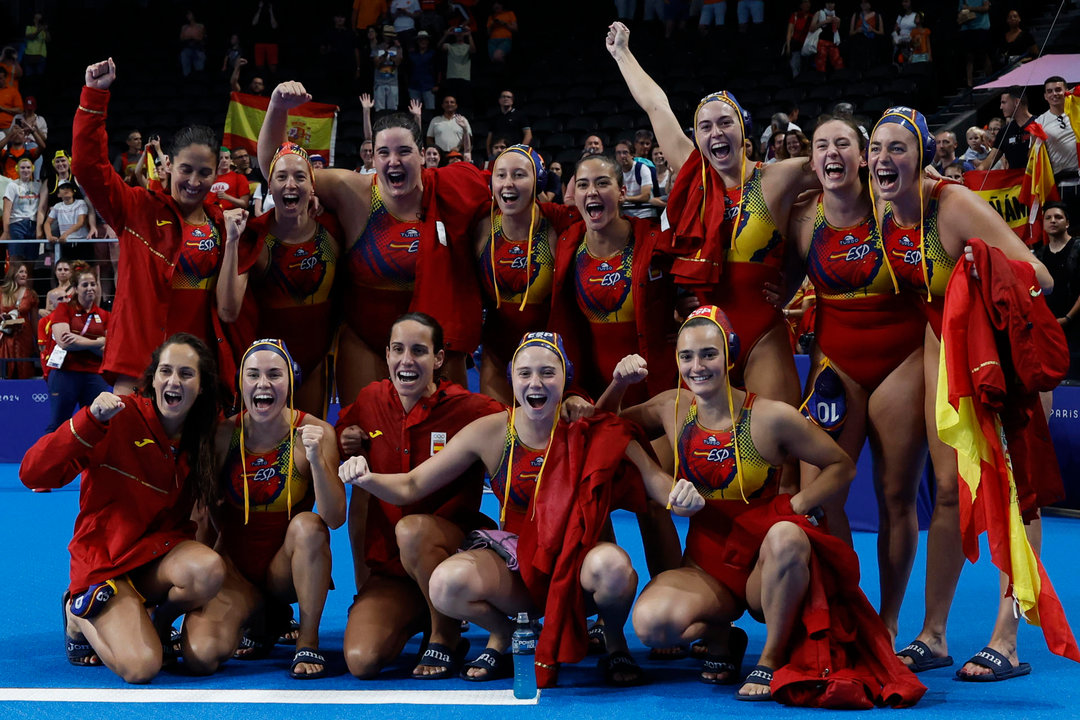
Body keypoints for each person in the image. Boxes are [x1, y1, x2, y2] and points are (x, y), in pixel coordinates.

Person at [340, 331, 707, 688]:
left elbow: (657, 483)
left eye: (548, 373)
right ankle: (510, 632)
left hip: (580, 561)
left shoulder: (592, 429)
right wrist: (366, 477)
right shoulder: (493, 431)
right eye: (525, 373)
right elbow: (412, 485)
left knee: (612, 567)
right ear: (512, 379)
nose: (536, 383)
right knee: (445, 584)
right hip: (518, 559)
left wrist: (684, 497)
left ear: (566, 380)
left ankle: (614, 639)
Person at [599, 307, 924, 706]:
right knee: (651, 625)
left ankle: (769, 657)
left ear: (729, 356)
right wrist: (617, 384)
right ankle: (723, 635)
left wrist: (800, 503)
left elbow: (842, 464)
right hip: (707, 562)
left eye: (708, 354)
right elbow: (605, 425)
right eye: (687, 357)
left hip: (764, 560)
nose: (697, 366)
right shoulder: (672, 406)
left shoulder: (771, 417)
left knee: (788, 536)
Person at [868, 106, 1054, 679]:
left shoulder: (952, 205)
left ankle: (1008, 636)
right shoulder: (883, 209)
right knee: (947, 491)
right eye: (876, 148)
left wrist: (981, 276)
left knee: (1016, 494)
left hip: (999, 356)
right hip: (939, 348)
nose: (882, 159)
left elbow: (1039, 277)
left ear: (924, 155)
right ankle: (935, 633)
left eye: (898, 148)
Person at [607, 21, 812, 413]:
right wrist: (623, 54)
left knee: (777, 449)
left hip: (761, 333)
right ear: (697, 137)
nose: (715, 132)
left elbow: (843, 165)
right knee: (706, 448)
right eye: (705, 127)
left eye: (725, 123)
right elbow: (655, 105)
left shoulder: (777, 177)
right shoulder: (692, 172)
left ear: (743, 130)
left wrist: (920, 172)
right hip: (705, 336)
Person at [778, 115, 928, 641]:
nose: (832, 153)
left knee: (895, 496)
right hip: (834, 365)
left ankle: (886, 624)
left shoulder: (896, 204)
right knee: (822, 495)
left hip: (902, 362)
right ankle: (843, 609)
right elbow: (778, 281)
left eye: (843, 142)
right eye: (821, 145)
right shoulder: (802, 219)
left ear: (864, 156)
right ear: (812, 160)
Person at [257, 81, 490, 409]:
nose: (393, 161)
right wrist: (278, 107)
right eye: (384, 153)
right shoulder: (354, 193)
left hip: (431, 342)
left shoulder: (452, 191)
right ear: (373, 157)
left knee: (444, 440)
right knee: (359, 439)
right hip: (365, 340)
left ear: (422, 155)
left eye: (404, 152)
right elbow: (275, 166)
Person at [20, 334, 226, 682]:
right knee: (142, 667)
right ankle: (77, 614)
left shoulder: (204, 436)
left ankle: (156, 622)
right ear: (153, 379)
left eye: (187, 374)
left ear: (202, 386)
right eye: (166, 371)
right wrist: (89, 420)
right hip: (105, 563)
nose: (174, 381)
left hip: (154, 558)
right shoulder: (118, 416)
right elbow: (32, 472)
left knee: (207, 570)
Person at [337, 313, 504, 679]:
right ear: (386, 355)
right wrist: (346, 436)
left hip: (450, 555)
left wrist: (570, 403)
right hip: (394, 572)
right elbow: (342, 432)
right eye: (398, 349)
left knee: (412, 530)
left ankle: (444, 635)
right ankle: (421, 614)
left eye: (419, 351)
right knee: (361, 661)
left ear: (439, 359)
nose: (406, 361)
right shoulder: (371, 399)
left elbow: (526, 421)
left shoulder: (471, 409)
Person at [180, 338, 343, 679]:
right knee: (200, 656)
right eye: (253, 375)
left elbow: (334, 517)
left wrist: (315, 460)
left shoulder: (316, 433)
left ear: (290, 382)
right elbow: (202, 516)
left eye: (274, 374)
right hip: (235, 569)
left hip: (285, 569)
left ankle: (307, 639)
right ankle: (262, 616)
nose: (263, 384)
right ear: (241, 383)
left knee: (309, 527)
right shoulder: (223, 435)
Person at [74, 59, 236, 395]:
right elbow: (89, 167)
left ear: (216, 174)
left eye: (205, 173)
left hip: (199, 371)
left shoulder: (222, 223)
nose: (194, 181)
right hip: (140, 367)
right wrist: (94, 98)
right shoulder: (136, 209)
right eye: (186, 169)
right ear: (168, 165)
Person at [217, 143, 343, 414]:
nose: (290, 184)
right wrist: (231, 242)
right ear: (269, 187)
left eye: (300, 177)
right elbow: (228, 312)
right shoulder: (254, 237)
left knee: (309, 444)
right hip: (267, 369)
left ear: (313, 187)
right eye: (281, 177)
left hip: (316, 363)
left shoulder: (334, 231)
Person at [474, 145, 577, 403]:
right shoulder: (481, 226)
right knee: (498, 429)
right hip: (496, 354)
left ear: (538, 181)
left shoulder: (557, 226)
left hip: (549, 356)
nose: (508, 183)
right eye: (501, 175)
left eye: (519, 175)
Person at [44, 262, 109, 432]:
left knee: (96, 425)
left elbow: (108, 351)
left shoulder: (105, 315)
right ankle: (53, 459)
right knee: (58, 424)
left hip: (94, 375)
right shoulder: (64, 309)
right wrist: (98, 341)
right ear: (76, 288)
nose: (90, 288)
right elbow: (64, 342)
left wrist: (78, 341)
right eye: (85, 284)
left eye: (93, 284)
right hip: (65, 374)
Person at [1033, 202, 1080, 378]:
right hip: (1048, 328)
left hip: (1075, 326)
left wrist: (1067, 319)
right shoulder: (1039, 255)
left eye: (1058, 217)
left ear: (1067, 223)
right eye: (1048, 218)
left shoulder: (1078, 248)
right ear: (1043, 224)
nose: (1053, 221)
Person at [1035, 77, 1080, 222]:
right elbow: (1034, 157)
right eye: (1050, 91)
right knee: (1065, 229)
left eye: (1058, 89)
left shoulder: (1078, 111)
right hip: (1059, 185)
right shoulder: (1039, 122)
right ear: (1045, 96)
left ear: (1066, 91)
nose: (1054, 94)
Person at [0, 260, 39, 378]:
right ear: (13, 273)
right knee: (5, 368)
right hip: (5, 336)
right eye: (21, 271)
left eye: (25, 272)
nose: (24, 275)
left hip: (24, 336)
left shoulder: (31, 294)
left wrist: (39, 342)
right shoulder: (1, 292)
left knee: (24, 368)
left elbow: (34, 322)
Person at [981, 86, 1034, 171]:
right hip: (1015, 183)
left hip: (1038, 181)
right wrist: (969, 176)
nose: (1001, 107)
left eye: (1004, 102)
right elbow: (989, 161)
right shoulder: (1004, 131)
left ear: (1016, 102)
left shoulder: (1040, 124)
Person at [1, 157, 44, 261]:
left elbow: (42, 208)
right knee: (16, 259)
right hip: (16, 224)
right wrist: (6, 231)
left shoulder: (38, 185)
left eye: (28, 167)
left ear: (32, 169)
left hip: (33, 224)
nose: (26, 170)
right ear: (17, 169)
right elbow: (6, 210)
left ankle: (29, 277)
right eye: (23, 168)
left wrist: (39, 228)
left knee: (31, 259)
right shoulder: (12, 185)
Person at [486, 90, 532, 156]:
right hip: (498, 153)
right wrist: (489, 153)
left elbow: (528, 134)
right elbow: (489, 138)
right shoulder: (494, 118)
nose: (506, 99)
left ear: (512, 100)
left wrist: (521, 150)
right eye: (503, 97)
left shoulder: (520, 115)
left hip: (515, 152)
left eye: (508, 97)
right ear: (499, 100)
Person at [179, 10, 207, 78]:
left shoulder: (200, 26)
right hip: (187, 49)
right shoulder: (184, 27)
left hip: (198, 49)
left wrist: (194, 38)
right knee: (184, 56)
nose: (188, 16)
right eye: (187, 15)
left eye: (190, 14)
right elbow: (181, 39)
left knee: (199, 69)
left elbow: (202, 38)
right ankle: (186, 78)